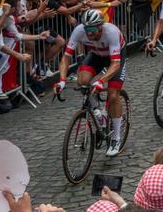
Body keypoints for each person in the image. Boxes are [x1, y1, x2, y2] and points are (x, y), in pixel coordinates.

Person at [54, 9, 126, 156]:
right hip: (96, 55)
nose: (89, 33)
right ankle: (98, 113)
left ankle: (116, 138)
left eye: (92, 29)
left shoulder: (111, 32)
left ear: (100, 26)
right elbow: (66, 57)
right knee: (82, 81)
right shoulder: (79, 30)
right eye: (87, 29)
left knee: (112, 95)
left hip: (115, 59)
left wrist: (101, 81)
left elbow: (116, 64)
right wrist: (61, 80)